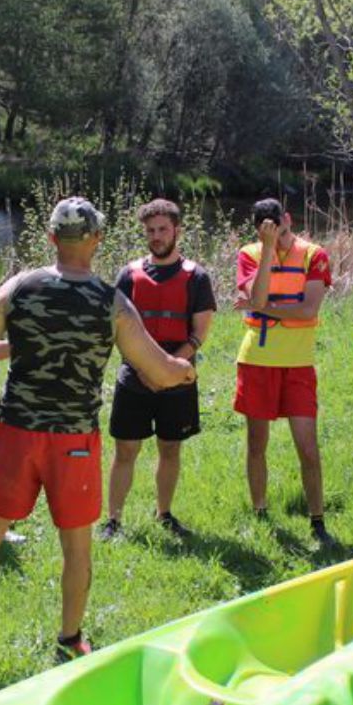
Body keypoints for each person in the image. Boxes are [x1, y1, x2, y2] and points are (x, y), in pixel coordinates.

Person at [0, 197, 196, 671]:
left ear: (52, 238)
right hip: (73, 439)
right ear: (96, 241)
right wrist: (183, 370)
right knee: (76, 546)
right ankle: (71, 639)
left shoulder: (21, 287)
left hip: (16, 431)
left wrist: (19, 343)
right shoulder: (111, 301)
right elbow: (158, 372)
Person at [98, 198, 216, 540]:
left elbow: (199, 334)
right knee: (125, 450)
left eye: (163, 229)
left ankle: (164, 513)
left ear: (176, 230)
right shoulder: (129, 275)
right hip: (135, 377)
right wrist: (147, 369)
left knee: (170, 447)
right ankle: (113, 521)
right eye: (151, 230)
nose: (157, 236)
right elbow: (117, 329)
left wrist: (170, 369)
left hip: (178, 377)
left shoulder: (197, 276)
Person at [234, 198, 335, 547]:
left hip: (298, 364)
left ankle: (318, 521)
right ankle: (260, 512)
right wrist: (265, 251)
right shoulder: (249, 253)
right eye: (268, 232)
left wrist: (264, 308)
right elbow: (257, 295)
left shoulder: (314, 255)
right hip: (257, 362)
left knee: (308, 447)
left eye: (281, 229)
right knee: (256, 443)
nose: (279, 237)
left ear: (288, 220)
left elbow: (308, 310)